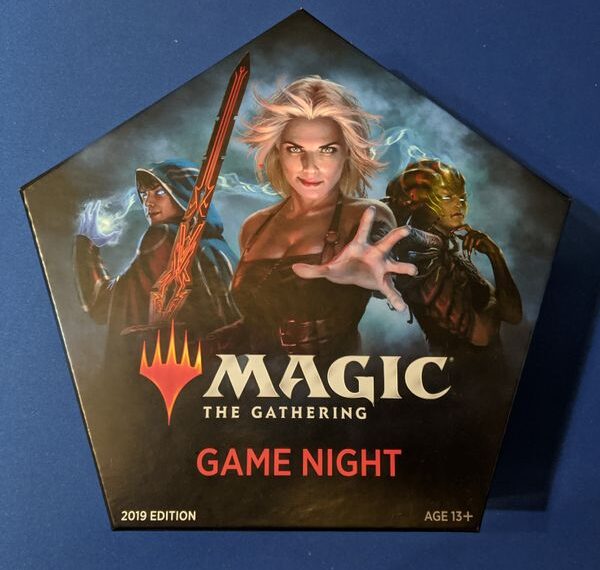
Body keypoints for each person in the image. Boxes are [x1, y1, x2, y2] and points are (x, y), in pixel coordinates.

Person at [207, 76, 417, 357]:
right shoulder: (254, 226)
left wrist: (380, 273)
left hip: (331, 380)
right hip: (260, 381)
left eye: (327, 150)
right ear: (278, 151)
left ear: (347, 153)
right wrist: (206, 343)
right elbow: (257, 324)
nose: (309, 167)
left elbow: (391, 266)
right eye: (295, 149)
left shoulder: (366, 216)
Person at [74, 158, 240, 360]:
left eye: (159, 192)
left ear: (184, 195)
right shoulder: (219, 247)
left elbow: (102, 306)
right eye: (144, 194)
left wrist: (86, 245)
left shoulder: (163, 236)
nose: (148, 202)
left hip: (181, 366)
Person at [384, 159, 522, 354]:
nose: (459, 204)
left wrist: (495, 254)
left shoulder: (446, 247)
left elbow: (513, 315)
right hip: (460, 368)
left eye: (463, 198)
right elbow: (481, 334)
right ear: (420, 201)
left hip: (486, 367)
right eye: (447, 197)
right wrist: (495, 304)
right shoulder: (420, 254)